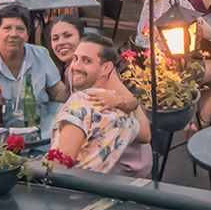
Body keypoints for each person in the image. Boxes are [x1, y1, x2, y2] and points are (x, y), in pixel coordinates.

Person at [46, 14, 153, 177]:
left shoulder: (106, 76)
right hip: (98, 159)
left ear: (81, 38)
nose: (61, 42)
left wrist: (122, 101)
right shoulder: (73, 70)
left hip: (127, 164)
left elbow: (145, 133)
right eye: (55, 38)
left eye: (67, 35)